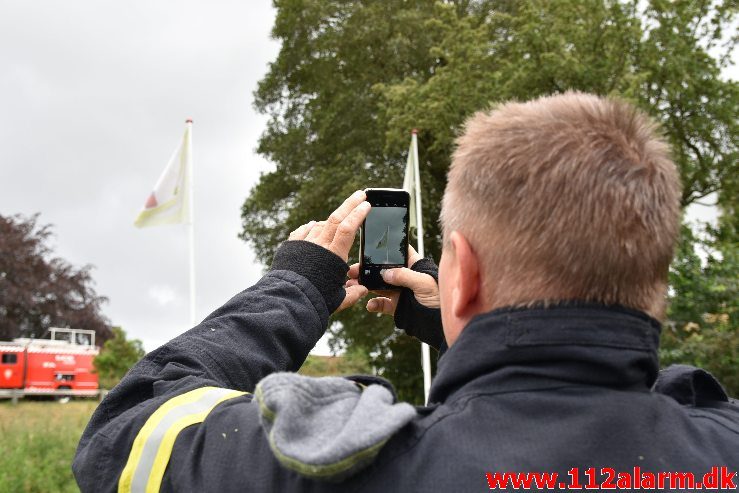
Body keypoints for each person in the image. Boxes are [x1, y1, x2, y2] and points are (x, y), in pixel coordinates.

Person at [74, 92, 738, 492]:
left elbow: (125, 436)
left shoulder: (341, 466)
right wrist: (466, 328)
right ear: (654, 273)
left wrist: (295, 287)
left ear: (464, 272)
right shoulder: (716, 449)